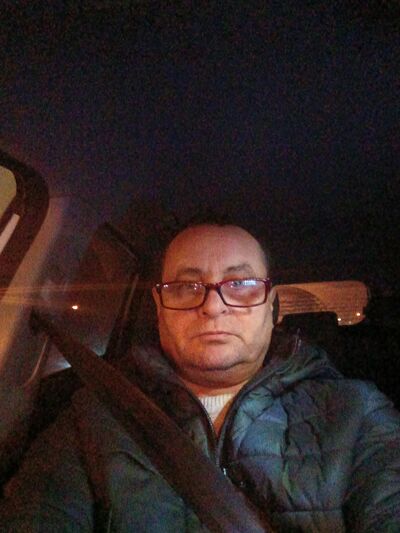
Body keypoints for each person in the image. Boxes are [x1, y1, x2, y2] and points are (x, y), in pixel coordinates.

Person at [1, 218, 400, 532]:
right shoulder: (94, 418)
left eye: (240, 284)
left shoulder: (356, 412)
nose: (212, 306)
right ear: (159, 306)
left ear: (272, 306)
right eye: (185, 286)